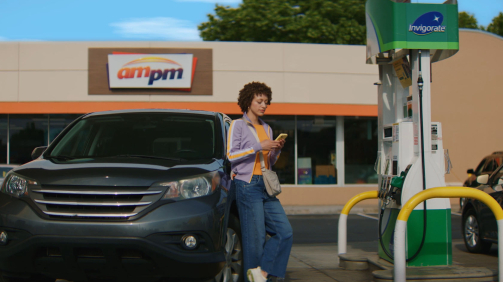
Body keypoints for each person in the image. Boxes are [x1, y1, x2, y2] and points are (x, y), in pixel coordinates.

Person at [227, 82, 293, 282]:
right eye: (259, 101)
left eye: (266, 101)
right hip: (247, 186)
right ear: (248, 102)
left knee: (284, 232)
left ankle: (262, 273)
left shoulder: (267, 128)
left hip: (265, 184)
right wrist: (258, 146)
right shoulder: (237, 125)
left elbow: (269, 162)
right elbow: (231, 156)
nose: (264, 105)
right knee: (254, 241)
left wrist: (276, 149)